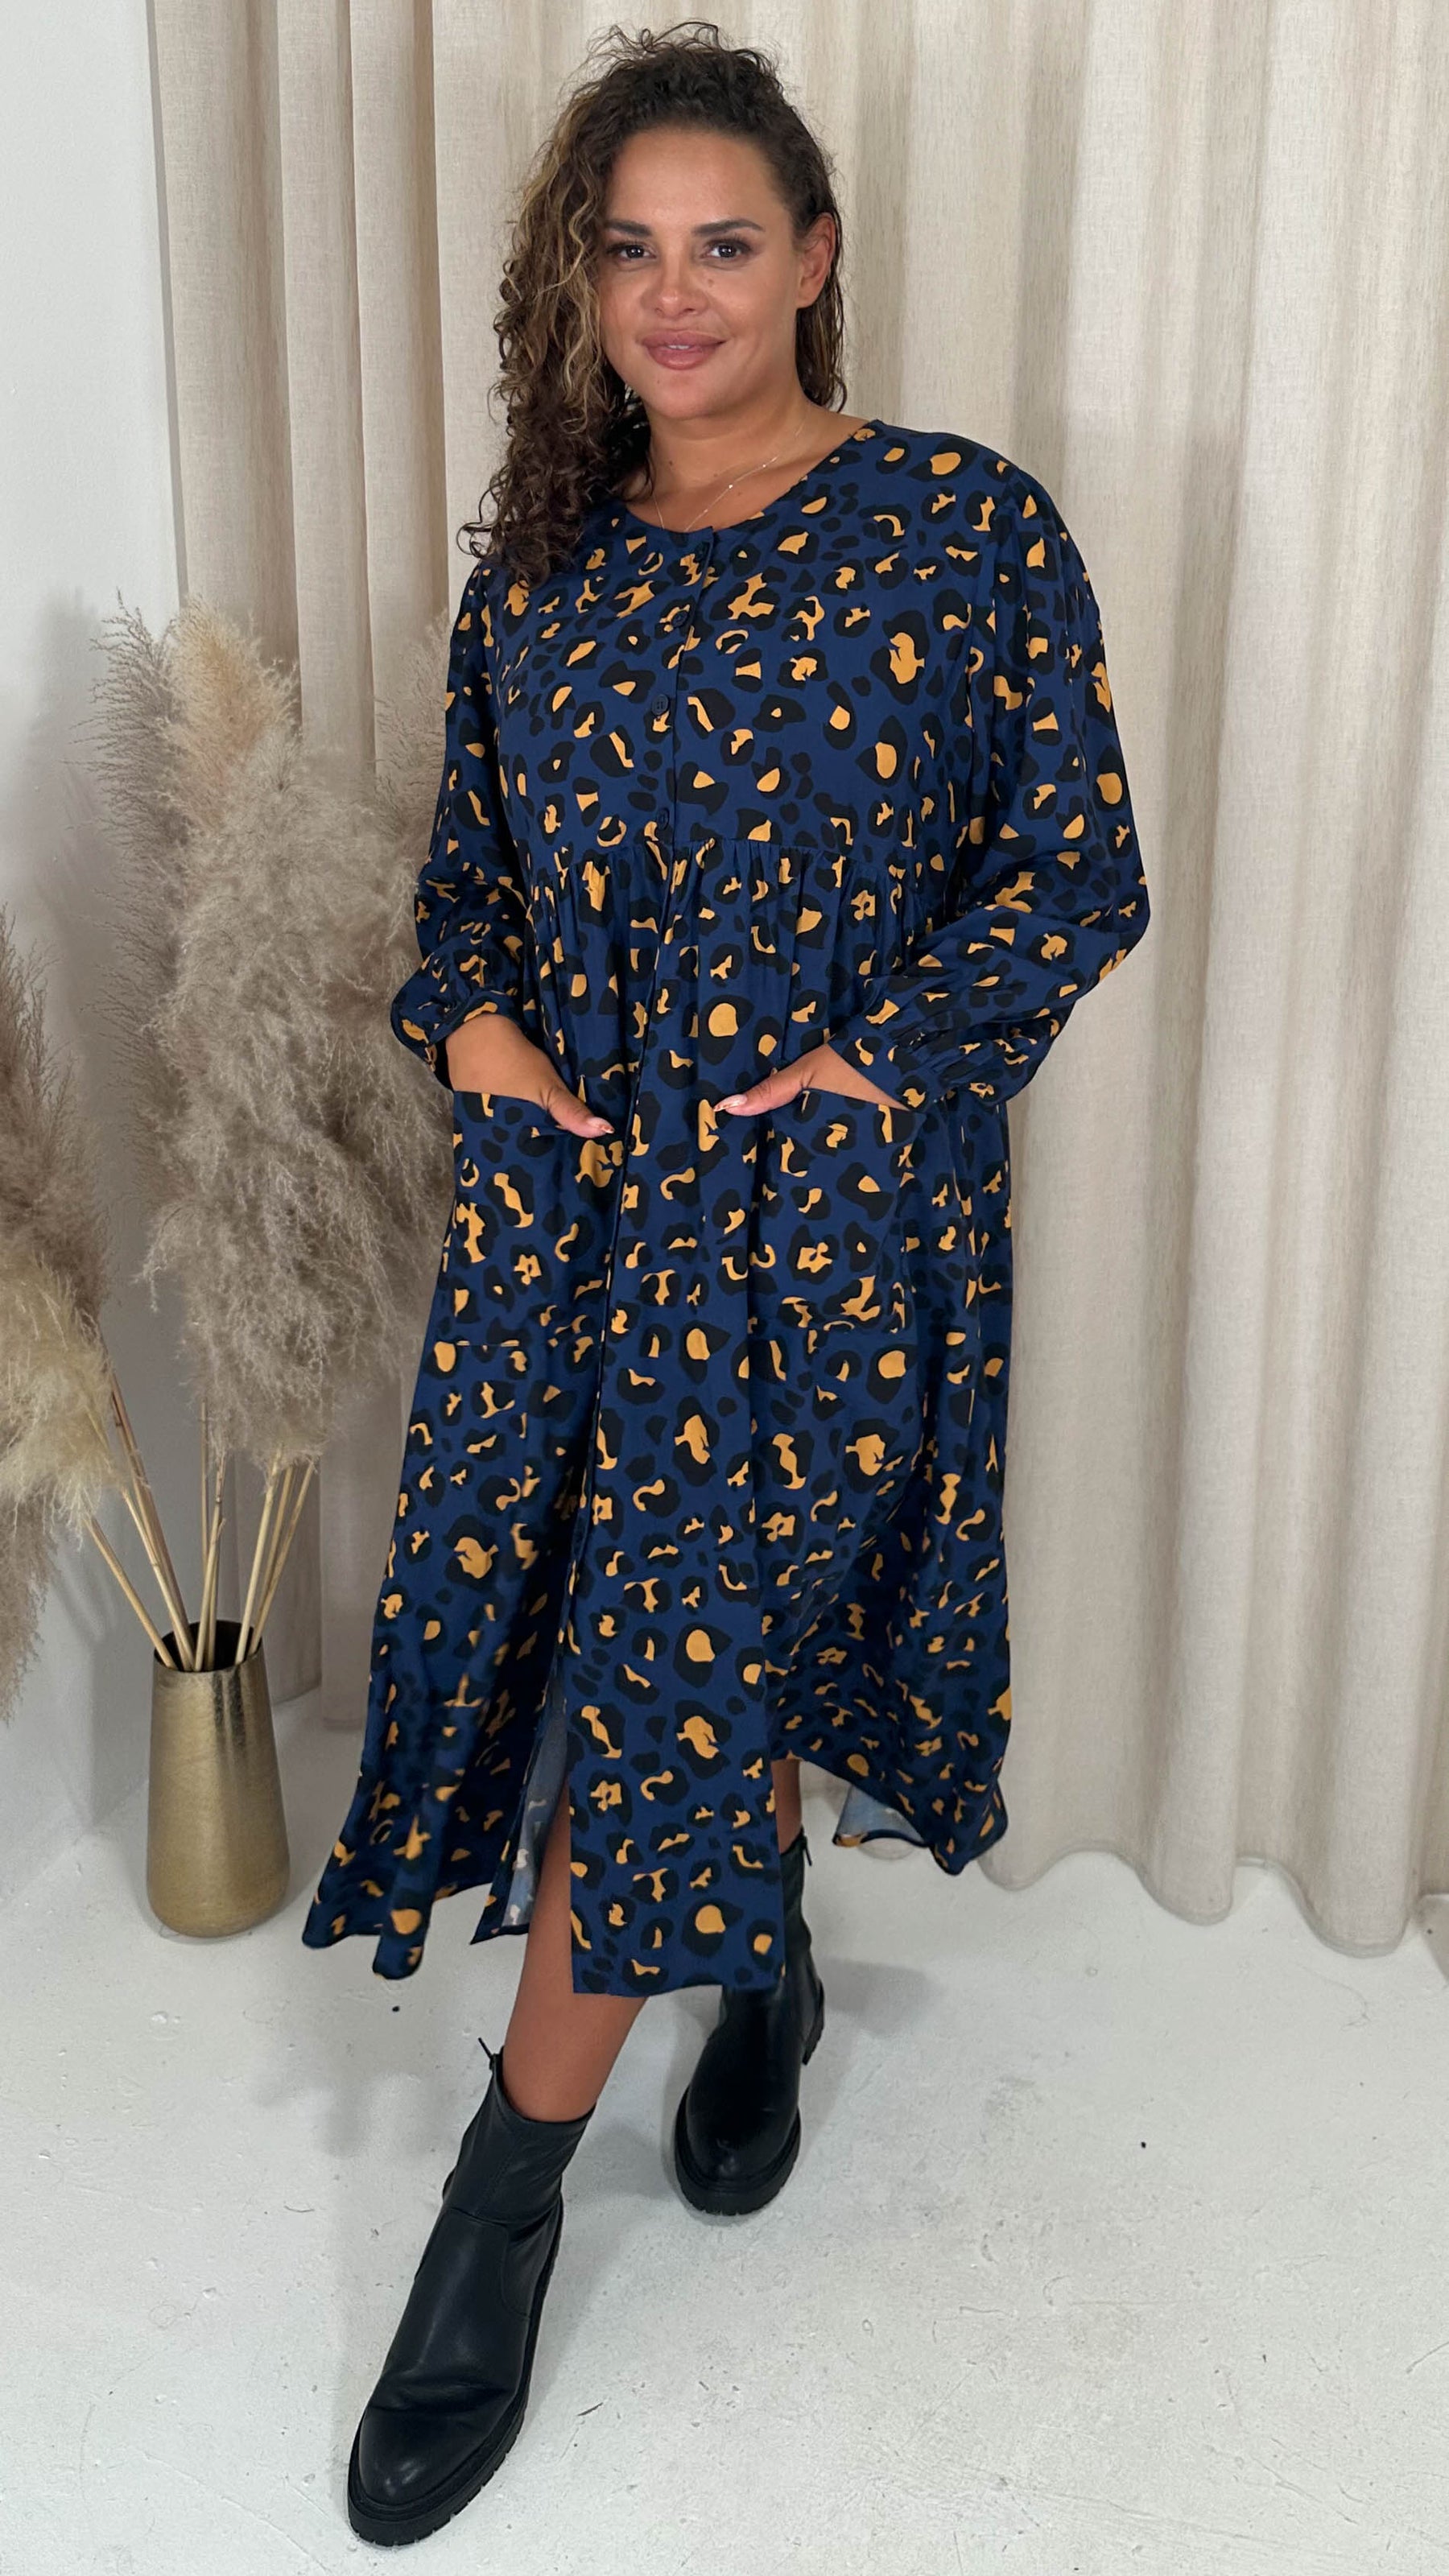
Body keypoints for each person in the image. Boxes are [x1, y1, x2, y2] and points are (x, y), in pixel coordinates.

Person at [301, 19, 1151, 2548]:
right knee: (646, 1644)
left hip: (842, 1226)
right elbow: (464, 896)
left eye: (725, 243)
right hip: (578, 1230)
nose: (673, 294)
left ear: (814, 261)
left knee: (687, 1657)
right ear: (581, 282)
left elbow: (1077, 867)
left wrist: (889, 1063)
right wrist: (470, 1030)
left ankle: (499, 2208)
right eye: (628, 248)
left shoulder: (958, 531)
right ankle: (753, 1962)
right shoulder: (539, 579)